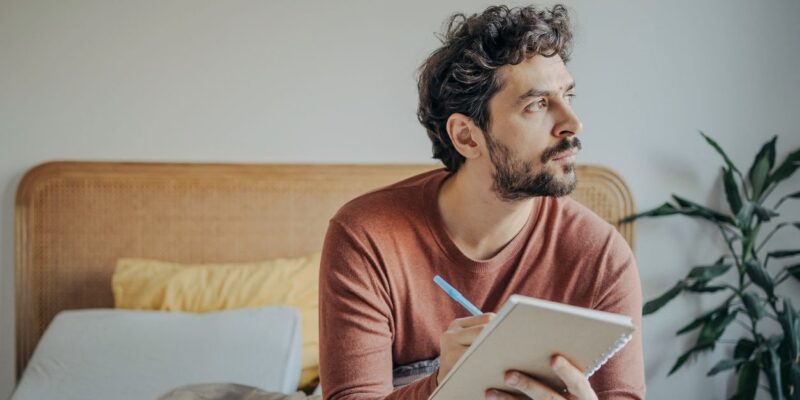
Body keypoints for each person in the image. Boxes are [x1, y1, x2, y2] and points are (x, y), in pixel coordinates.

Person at [318, 4, 645, 400]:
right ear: (467, 137)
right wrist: (442, 385)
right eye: (537, 104)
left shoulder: (602, 258)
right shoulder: (367, 237)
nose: (572, 123)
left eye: (568, 95)